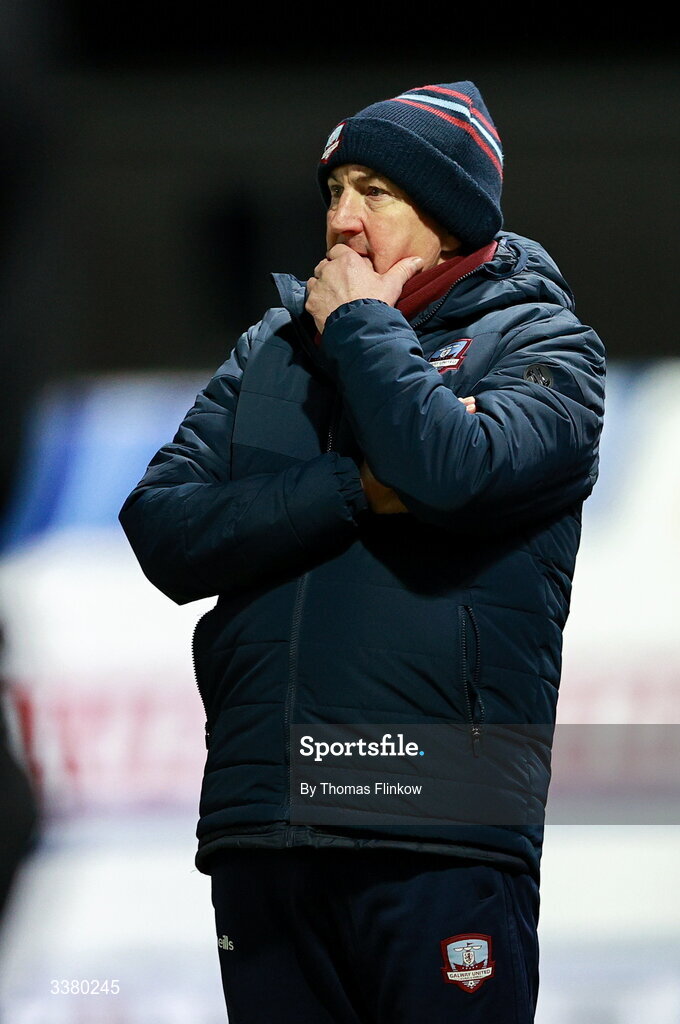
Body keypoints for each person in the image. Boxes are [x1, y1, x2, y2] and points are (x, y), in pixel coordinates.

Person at [119, 80, 605, 1023]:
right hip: (263, 825)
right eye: (334, 189)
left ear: (451, 212)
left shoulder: (545, 345)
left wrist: (357, 326)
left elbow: (445, 469)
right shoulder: (270, 350)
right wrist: (350, 490)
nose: (342, 220)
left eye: (374, 191)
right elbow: (164, 529)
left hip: (434, 826)